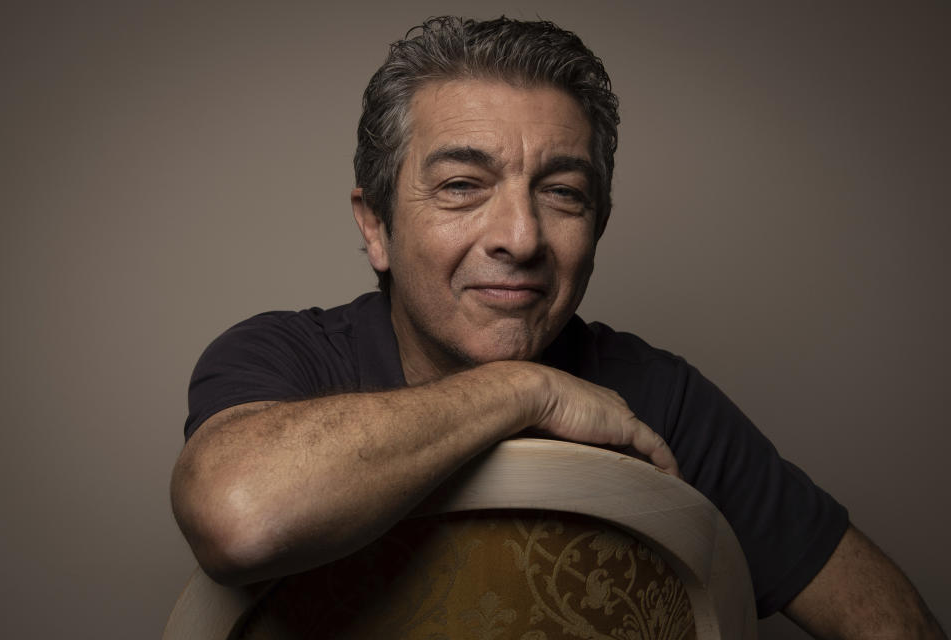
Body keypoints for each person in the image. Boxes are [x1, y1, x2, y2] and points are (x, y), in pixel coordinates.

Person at [171, 16, 945, 639]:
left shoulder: (660, 395)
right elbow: (239, 515)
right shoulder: (280, 359)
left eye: (564, 193)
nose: (521, 236)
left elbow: (892, 623)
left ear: (598, 226)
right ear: (375, 226)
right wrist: (525, 391)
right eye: (463, 186)